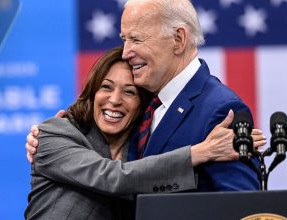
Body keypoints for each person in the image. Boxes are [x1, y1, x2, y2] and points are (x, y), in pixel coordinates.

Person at [25, 46, 263, 220]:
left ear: (142, 105)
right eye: (106, 87)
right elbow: (113, 177)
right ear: (91, 93)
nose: (115, 100)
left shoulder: (139, 149)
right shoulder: (54, 134)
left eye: (129, 92)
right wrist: (200, 152)